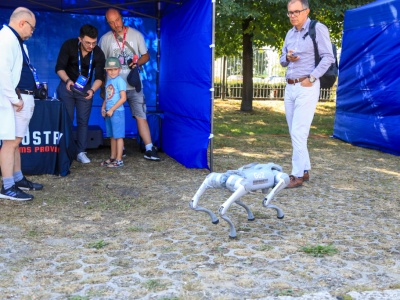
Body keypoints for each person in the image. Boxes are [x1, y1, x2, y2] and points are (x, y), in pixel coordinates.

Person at [280, 0, 334, 188]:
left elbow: (329, 57)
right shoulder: (289, 33)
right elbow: (282, 59)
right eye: (290, 12)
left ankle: (296, 176)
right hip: (290, 86)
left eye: (297, 11)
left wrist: (311, 78)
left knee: (299, 132)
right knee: (294, 131)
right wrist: (287, 57)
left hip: (307, 86)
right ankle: (305, 169)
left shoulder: (317, 28)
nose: (293, 15)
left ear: (306, 11)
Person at [99, 8, 160, 161]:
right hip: (114, 87)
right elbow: (100, 63)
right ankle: (121, 148)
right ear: (108, 23)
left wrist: (137, 62)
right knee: (114, 117)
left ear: (122, 17)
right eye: (111, 22)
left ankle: (149, 148)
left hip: (133, 84)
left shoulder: (136, 35)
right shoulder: (105, 39)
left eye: (117, 20)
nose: (115, 24)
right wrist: (102, 86)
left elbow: (146, 55)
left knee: (140, 115)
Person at [0, 7, 43, 201]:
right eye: (32, 27)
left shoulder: (18, 42)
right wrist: (15, 99)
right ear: (22, 23)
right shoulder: (5, 39)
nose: (32, 32)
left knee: (16, 142)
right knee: (10, 143)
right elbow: (3, 73)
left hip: (22, 97)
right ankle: (8, 186)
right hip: (14, 99)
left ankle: (17, 179)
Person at [55, 24, 106, 164]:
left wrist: (92, 90)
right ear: (80, 39)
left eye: (94, 43)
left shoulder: (98, 53)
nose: (91, 46)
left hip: (85, 88)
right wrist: (68, 81)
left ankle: (81, 152)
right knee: (67, 119)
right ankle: (65, 150)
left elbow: (100, 77)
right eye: (88, 42)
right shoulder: (69, 45)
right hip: (68, 85)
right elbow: (59, 68)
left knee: (83, 121)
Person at [100, 57, 127, 168]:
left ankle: (119, 159)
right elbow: (107, 97)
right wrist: (103, 108)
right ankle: (113, 157)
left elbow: (123, 98)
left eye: (115, 69)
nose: (112, 72)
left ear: (119, 69)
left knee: (119, 136)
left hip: (117, 112)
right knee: (112, 136)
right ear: (106, 70)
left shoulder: (120, 81)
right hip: (109, 112)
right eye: (110, 69)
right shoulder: (109, 81)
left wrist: (112, 109)